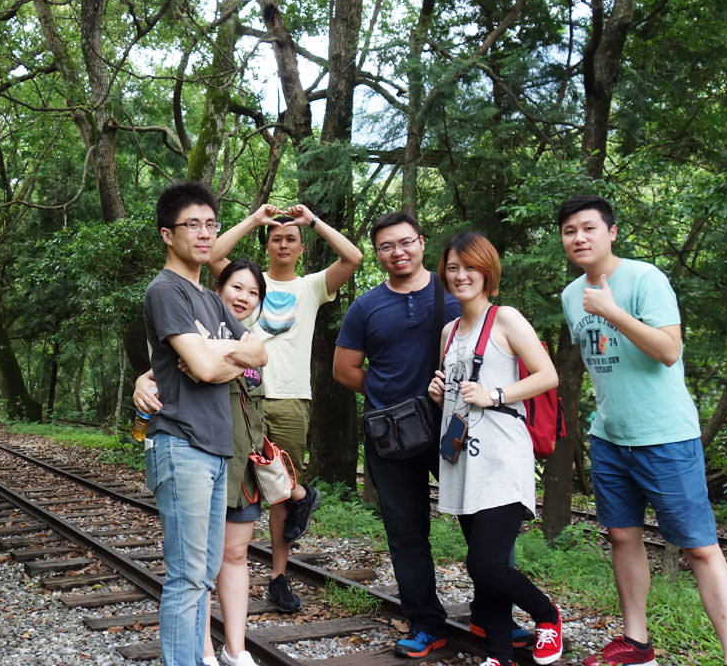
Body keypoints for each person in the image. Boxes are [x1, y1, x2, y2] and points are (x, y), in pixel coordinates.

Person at [558, 195, 727, 666]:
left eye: (588, 228)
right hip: (610, 438)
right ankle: (636, 644)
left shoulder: (645, 278)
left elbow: (668, 350)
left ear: (611, 232)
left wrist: (613, 310)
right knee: (622, 537)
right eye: (569, 231)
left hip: (665, 437)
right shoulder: (569, 295)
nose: (578, 238)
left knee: (700, 547)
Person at [208, 202, 362, 612]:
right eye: (275, 237)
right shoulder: (247, 286)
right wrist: (253, 219)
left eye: (290, 238)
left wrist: (314, 221)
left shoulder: (311, 286)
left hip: (291, 400)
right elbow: (211, 255)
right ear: (267, 244)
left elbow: (354, 257)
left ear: (300, 246)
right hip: (240, 398)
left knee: (281, 497)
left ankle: (279, 577)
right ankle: (226, 567)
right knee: (236, 488)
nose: (283, 243)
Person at [136, 258, 290, 666]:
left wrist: (226, 356)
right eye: (236, 288)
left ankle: (235, 650)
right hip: (200, 453)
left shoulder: (247, 341)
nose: (243, 297)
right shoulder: (191, 328)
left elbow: (251, 358)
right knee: (196, 566)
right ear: (217, 293)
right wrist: (141, 381)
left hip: (241, 467)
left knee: (234, 556)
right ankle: (201, 651)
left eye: (254, 293)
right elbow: (168, 372)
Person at [426, 232, 563, 666]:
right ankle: (499, 655)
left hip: (503, 458)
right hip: (462, 460)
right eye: (453, 267)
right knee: (485, 568)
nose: (461, 275)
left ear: (487, 272)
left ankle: (547, 615)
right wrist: (439, 392)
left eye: (471, 267)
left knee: (485, 565)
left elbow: (547, 375)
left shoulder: (506, 319)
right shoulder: (449, 331)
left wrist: (496, 394)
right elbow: (458, 391)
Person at [332, 210, 460, 659]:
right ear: (378, 254)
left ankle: (494, 616)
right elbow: (344, 370)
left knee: (481, 524)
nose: (397, 252)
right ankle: (426, 624)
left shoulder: (455, 293)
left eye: (405, 242)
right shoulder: (366, 306)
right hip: (392, 434)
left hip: (455, 429)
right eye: (386, 246)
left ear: (422, 242)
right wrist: (389, 394)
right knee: (406, 532)